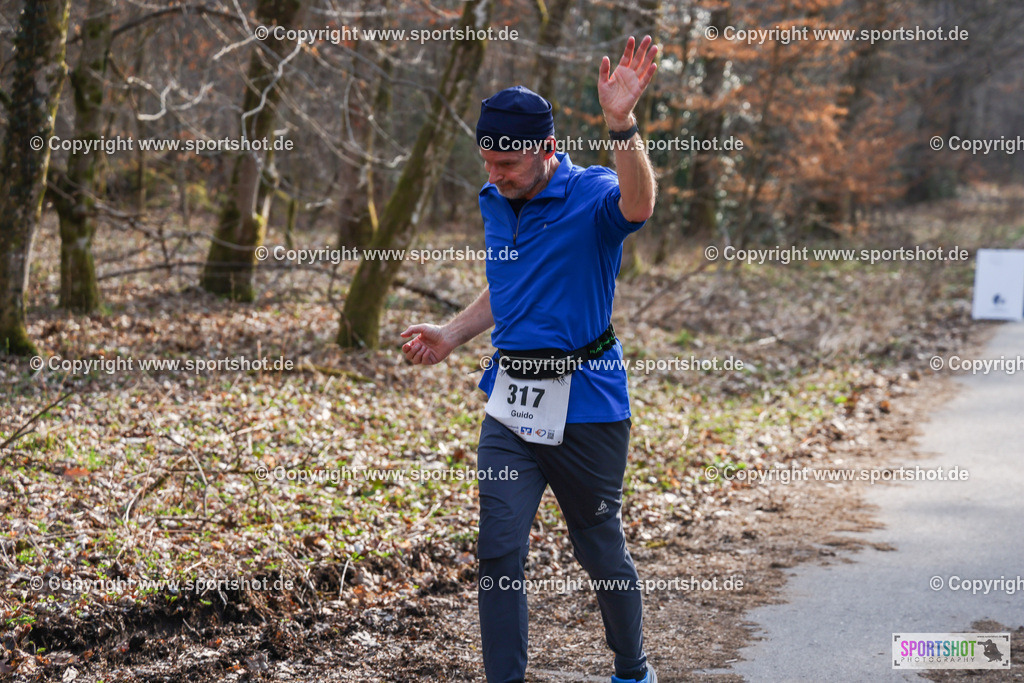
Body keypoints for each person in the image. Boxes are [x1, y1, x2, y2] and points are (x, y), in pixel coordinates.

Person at [401, 35, 659, 683]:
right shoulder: (495, 200)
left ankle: (632, 667)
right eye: (487, 162)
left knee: (599, 547)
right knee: (498, 551)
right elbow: (510, 283)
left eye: (507, 165)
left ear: (546, 150)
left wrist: (622, 124)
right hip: (512, 404)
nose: (495, 175)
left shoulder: (592, 195)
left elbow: (640, 205)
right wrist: (452, 333)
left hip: (589, 404)